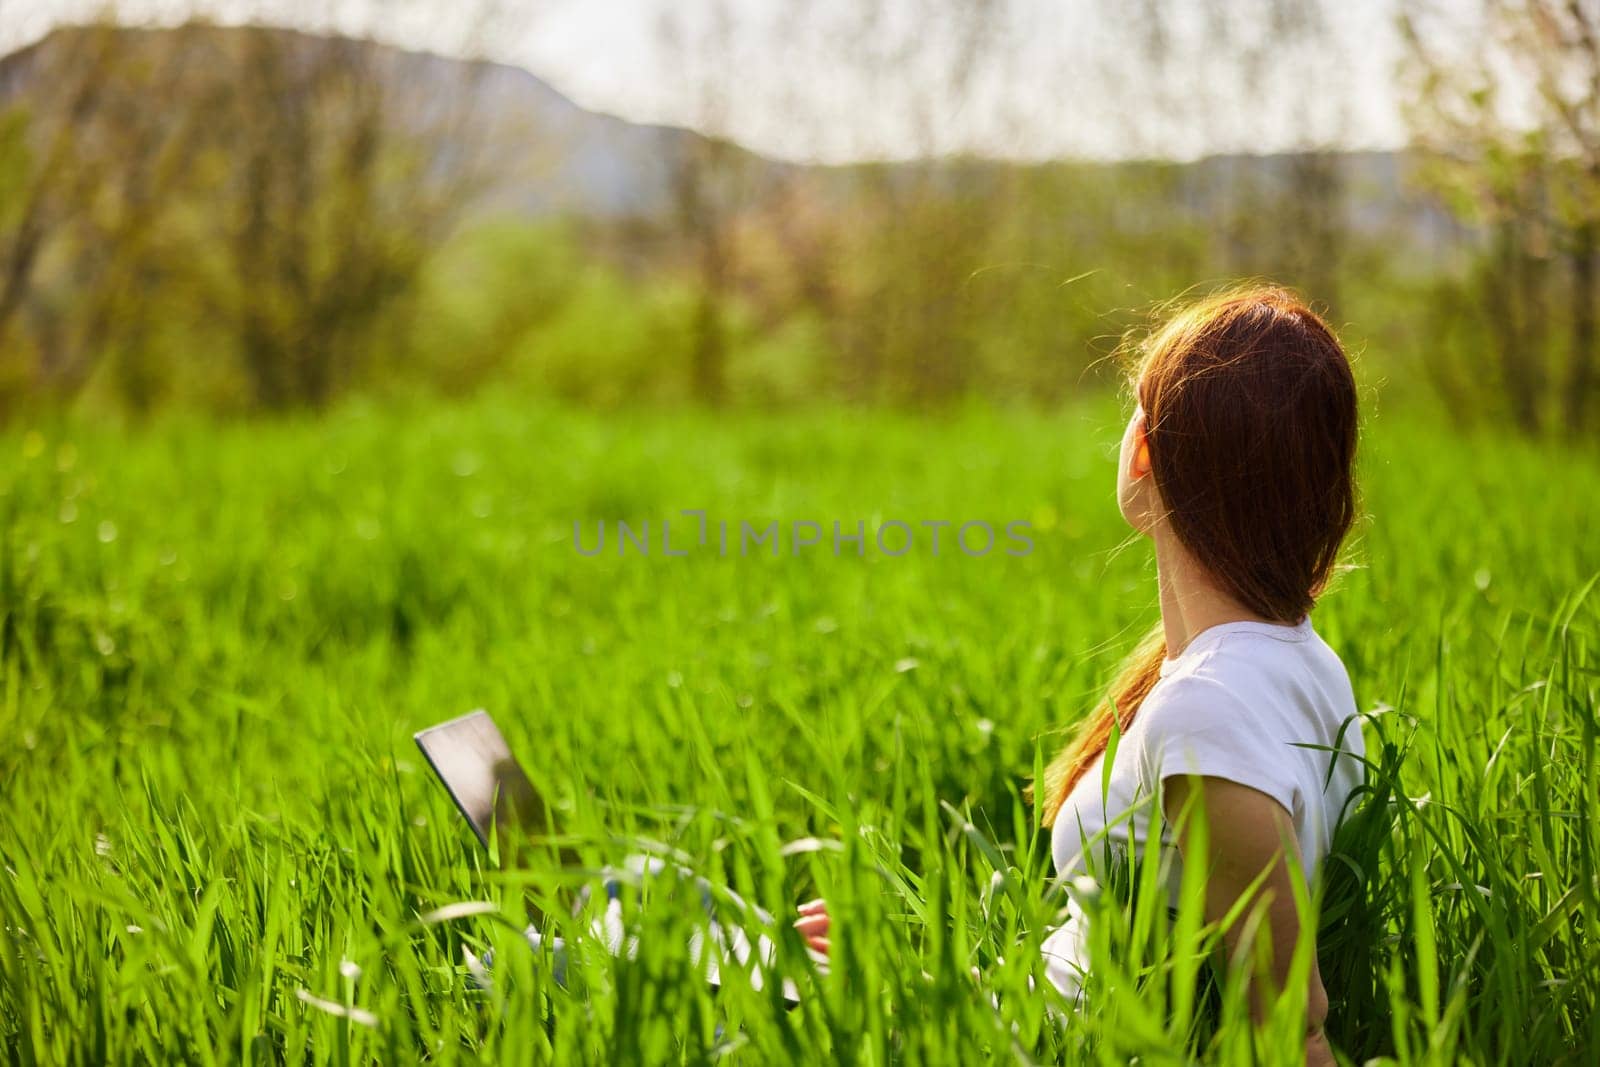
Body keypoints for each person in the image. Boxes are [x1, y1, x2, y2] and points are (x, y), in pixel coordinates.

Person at [795, 286, 1365, 1066]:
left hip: (1026, 1046)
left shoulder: (1208, 708)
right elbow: (1127, 955)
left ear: (1145, 451)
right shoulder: (1300, 662)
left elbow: (1291, 1028)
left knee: (637, 931)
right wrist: (921, 977)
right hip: (1010, 1016)